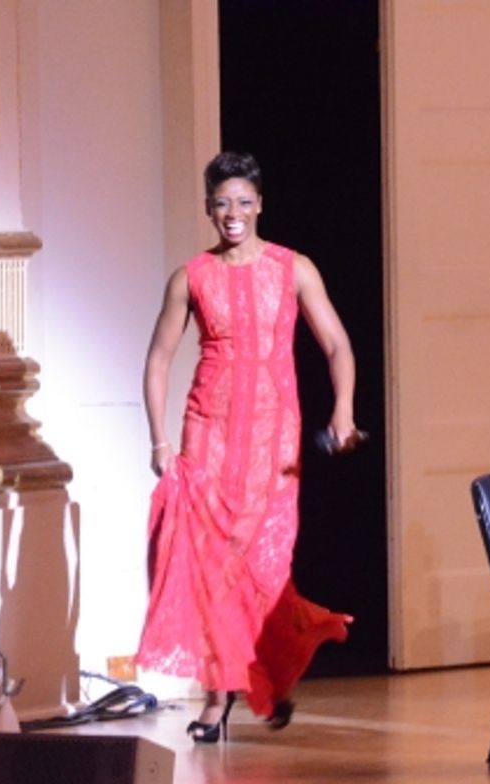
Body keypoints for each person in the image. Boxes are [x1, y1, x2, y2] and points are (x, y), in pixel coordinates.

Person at [137, 152, 357, 743]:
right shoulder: (190, 276)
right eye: (221, 203)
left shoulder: (293, 268)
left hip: (272, 440)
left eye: (242, 201)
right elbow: (158, 360)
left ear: (259, 204)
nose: (232, 213)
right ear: (208, 209)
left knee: (265, 568)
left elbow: (337, 344)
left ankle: (270, 673)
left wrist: (343, 410)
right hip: (207, 432)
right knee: (210, 567)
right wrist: (159, 440)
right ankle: (217, 699)